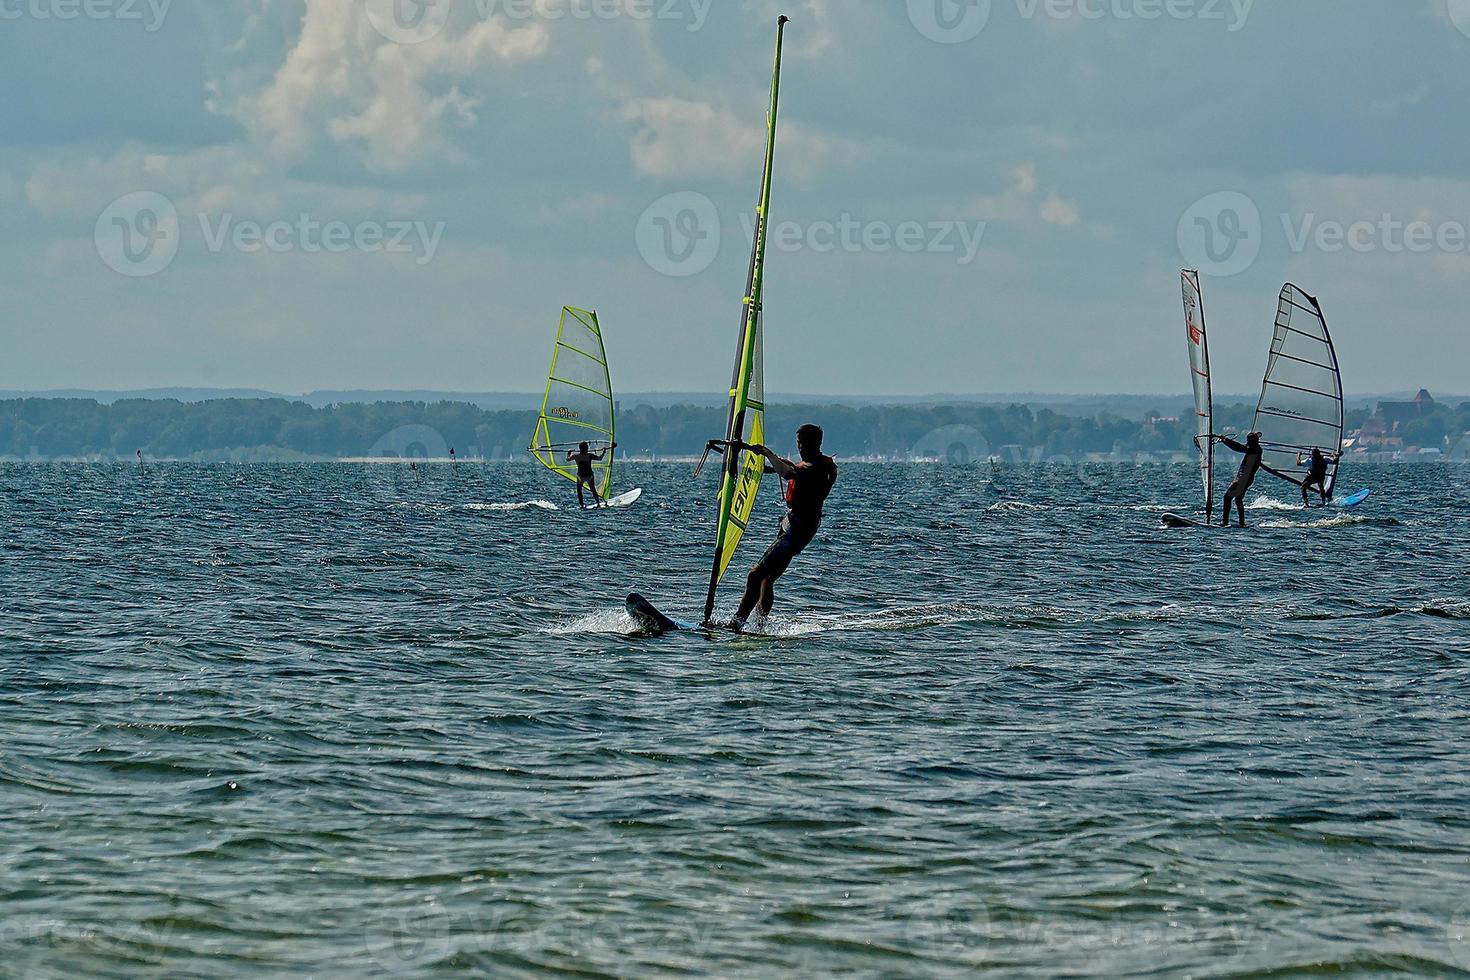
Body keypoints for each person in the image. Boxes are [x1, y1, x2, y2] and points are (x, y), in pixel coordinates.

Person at [730, 424, 838, 631]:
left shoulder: (817, 468)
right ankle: (759, 626)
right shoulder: (810, 465)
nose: (800, 447)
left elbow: (789, 473)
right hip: (796, 527)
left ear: (816, 443)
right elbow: (787, 467)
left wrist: (767, 452)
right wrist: (746, 451)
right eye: (798, 442)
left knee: (755, 575)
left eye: (803, 443)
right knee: (767, 579)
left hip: (796, 531)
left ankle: (737, 623)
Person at [1216, 432, 1263, 528]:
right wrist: (1225, 440)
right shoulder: (1255, 448)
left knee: (1227, 497)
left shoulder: (1254, 449)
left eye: (1248, 441)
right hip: (1246, 479)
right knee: (1238, 499)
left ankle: (1225, 521)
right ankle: (1242, 523)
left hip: (1243, 479)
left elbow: (1239, 447)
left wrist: (1226, 441)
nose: (1247, 442)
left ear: (1251, 441)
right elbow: (1242, 447)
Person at [566, 441, 615, 508]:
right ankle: (598, 504)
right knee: (593, 490)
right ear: (587, 448)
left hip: (581, 476)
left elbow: (568, 459)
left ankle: (582, 505)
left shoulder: (576, 456)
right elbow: (600, 458)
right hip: (589, 476)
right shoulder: (589, 455)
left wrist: (569, 452)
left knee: (579, 491)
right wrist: (604, 452)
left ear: (580, 448)